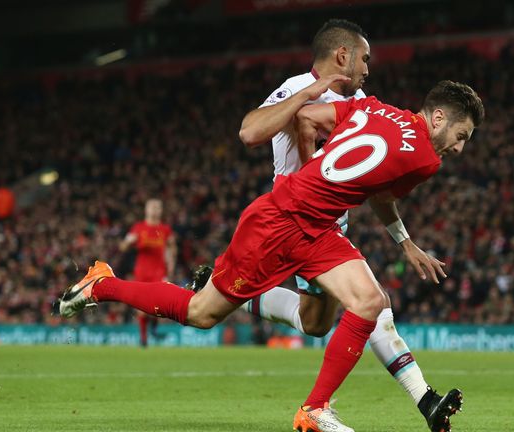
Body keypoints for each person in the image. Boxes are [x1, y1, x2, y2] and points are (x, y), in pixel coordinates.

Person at [57, 80, 484, 432]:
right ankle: (102, 284)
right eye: (461, 136)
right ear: (438, 117)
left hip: (317, 226)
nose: (459, 149)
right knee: (201, 314)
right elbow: (382, 193)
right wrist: (395, 235)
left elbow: (308, 118)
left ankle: (315, 410)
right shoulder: (426, 159)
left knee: (369, 302)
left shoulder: (372, 107)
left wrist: (312, 174)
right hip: (280, 225)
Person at [238, 19, 462, 432]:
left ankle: (236, 293)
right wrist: (310, 182)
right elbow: (252, 130)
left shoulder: (361, 99)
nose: (368, 68)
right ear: (343, 55)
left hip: (328, 224)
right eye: (365, 58)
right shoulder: (295, 87)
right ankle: (422, 400)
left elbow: (378, 186)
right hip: (299, 219)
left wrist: (405, 242)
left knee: (316, 321)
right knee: (372, 304)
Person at [119, 198, 176, 347]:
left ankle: (154, 327)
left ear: (161, 211)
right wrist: (129, 241)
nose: (155, 210)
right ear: (146, 210)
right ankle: (143, 340)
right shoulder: (138, 228)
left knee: (159, 304)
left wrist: (171, 265)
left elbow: (171, 248)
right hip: (142, 273)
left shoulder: (165, 229)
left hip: (159, 272)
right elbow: (123, 247)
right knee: (142, 309)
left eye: (158, 207)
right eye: (152, 207)